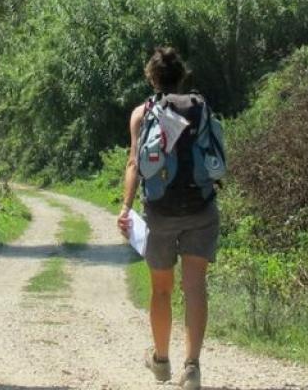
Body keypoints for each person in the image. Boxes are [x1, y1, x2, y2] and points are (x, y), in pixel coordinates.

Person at [118, 47, 220, 390]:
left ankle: (161, 360)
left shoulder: (142, 113)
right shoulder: (201, 106)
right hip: (201, 207)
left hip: (159, 211)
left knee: (161, 289)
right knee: (195, 287)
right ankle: (192, 368)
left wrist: (125, 207)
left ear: (152, 78)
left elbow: (134, 163)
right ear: (182, 76)